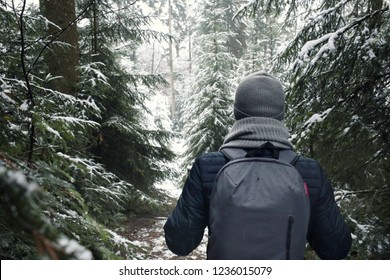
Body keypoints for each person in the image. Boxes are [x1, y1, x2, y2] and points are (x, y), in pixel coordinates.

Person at [164, 71, 352, 259]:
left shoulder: (208, 167)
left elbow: (179, 241)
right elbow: (336, 249)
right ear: (281, 114)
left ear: (237, 111)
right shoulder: (308, 172)